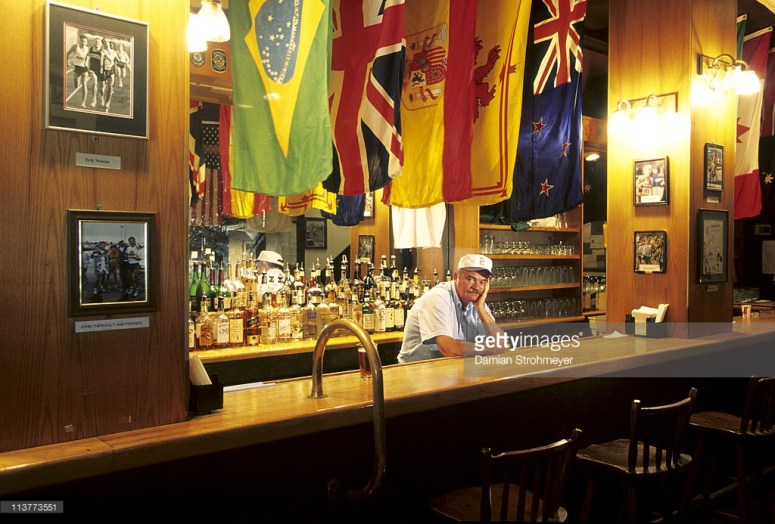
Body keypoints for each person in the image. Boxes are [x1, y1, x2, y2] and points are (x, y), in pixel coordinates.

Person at [397, 254, 509, 363]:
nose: (476, 287)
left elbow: (503, 343)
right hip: (416, 371)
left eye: (482, 282)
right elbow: (447, 348)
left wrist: (480, 308)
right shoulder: (437, 297)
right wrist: (491, 350)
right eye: (470, 279)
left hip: (450, 368)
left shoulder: (477, 302)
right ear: (456, 277)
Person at [66, 34, 91, 107]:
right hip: (76, 67)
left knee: (84, 85)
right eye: (82, 41)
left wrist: (88, 66)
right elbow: (67, 53)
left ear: (87, 42)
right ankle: (78, 81)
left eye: (85, 41)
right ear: (80, 41)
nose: (83, 43)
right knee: (76, 85)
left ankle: (83, 102)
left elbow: (89, 58)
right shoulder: (75, 46)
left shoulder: (88, 49)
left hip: (84, 68)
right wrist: (67, 61)